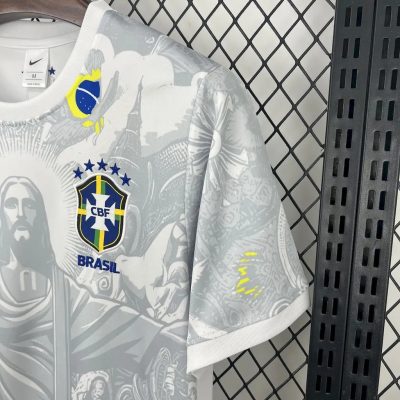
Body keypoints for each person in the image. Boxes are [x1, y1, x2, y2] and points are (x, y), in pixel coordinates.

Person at [0, 176, 184, 400]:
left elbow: (103, 317)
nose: (20, 213)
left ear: (39, 216)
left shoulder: (59, 289)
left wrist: (159, 334)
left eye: (28, 205)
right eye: (11, 204)